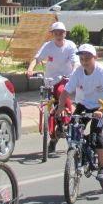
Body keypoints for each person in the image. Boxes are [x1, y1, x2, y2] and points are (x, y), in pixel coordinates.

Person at [63, 44, 103, 181]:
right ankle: (82, 152)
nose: (84, 61)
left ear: (95, 57)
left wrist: (101, 109)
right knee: (72, 127)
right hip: (84, 104)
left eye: (87, 58)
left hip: (102, 105)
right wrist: (59, 108)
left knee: (95, 130)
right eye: (81, 58)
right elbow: (66, 91)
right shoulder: (78, 72)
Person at [26, 21, 77, 151]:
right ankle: (52, 136)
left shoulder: (70, 46)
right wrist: (30, 69)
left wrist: (74, 73)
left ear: (65, 34)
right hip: (49, 81)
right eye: (56, 33)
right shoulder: (48, 46)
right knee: (47, 106)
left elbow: (74, 62)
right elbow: (37, 58)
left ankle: (68, 117)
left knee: (61, 91)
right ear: (52, 34)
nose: (59, 35)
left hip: (64, 79)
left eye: (61, 32)